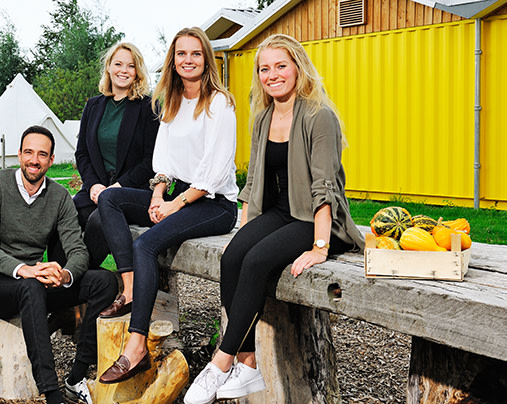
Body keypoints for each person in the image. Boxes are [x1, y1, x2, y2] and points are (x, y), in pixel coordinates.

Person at [182, 34, 366, 403]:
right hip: (280, 213)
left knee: (255, 262)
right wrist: (244, 229)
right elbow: (253, 181)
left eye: (281, 66)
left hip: (315, 220)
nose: (272, 75)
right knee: (233, 257)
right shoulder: (264, 117)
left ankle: (221, 362)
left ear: (298, 68)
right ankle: (248, 364)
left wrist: (320, 246)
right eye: (264, 69)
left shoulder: (319, 116)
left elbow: (325, 187)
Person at [97, 27, 239, 384]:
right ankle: (130, 286)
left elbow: (214, 171)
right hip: (178, 195)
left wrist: (175, 205)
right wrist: (158, 195)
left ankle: (136, 346)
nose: (188, 60)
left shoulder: (219, 103)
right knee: (111, 197)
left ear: (206, 60)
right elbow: (163, 162)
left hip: (214, 204)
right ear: (173, 61)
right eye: (181, 54)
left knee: (146, 244)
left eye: (195, 54)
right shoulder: (172, 102)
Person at [0, 126, 117, 404]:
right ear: (19, 155)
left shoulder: (59, 196)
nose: (33, 160)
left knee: (104, 282)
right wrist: (24, 270)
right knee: (31, 287)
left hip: (34, 282)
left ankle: (76, 376)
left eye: (41, 154)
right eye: (28, 152)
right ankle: (51, 393)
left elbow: (77, 249)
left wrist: (65, 275)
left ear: (51, 160)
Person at [69, 41, 159, 275]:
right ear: (108, 67)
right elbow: (82, 153)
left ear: (137, 71)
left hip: (131, 191)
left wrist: (118, 187)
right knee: (65, 213)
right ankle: (58, 275)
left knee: (98, 220)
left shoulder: (148, 107)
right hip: (97, 187)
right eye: (118, 64)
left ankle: (77, 277)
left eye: (130, 66)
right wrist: (92, 185)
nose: (123, 70)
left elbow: (151, 160)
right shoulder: (93, 106)